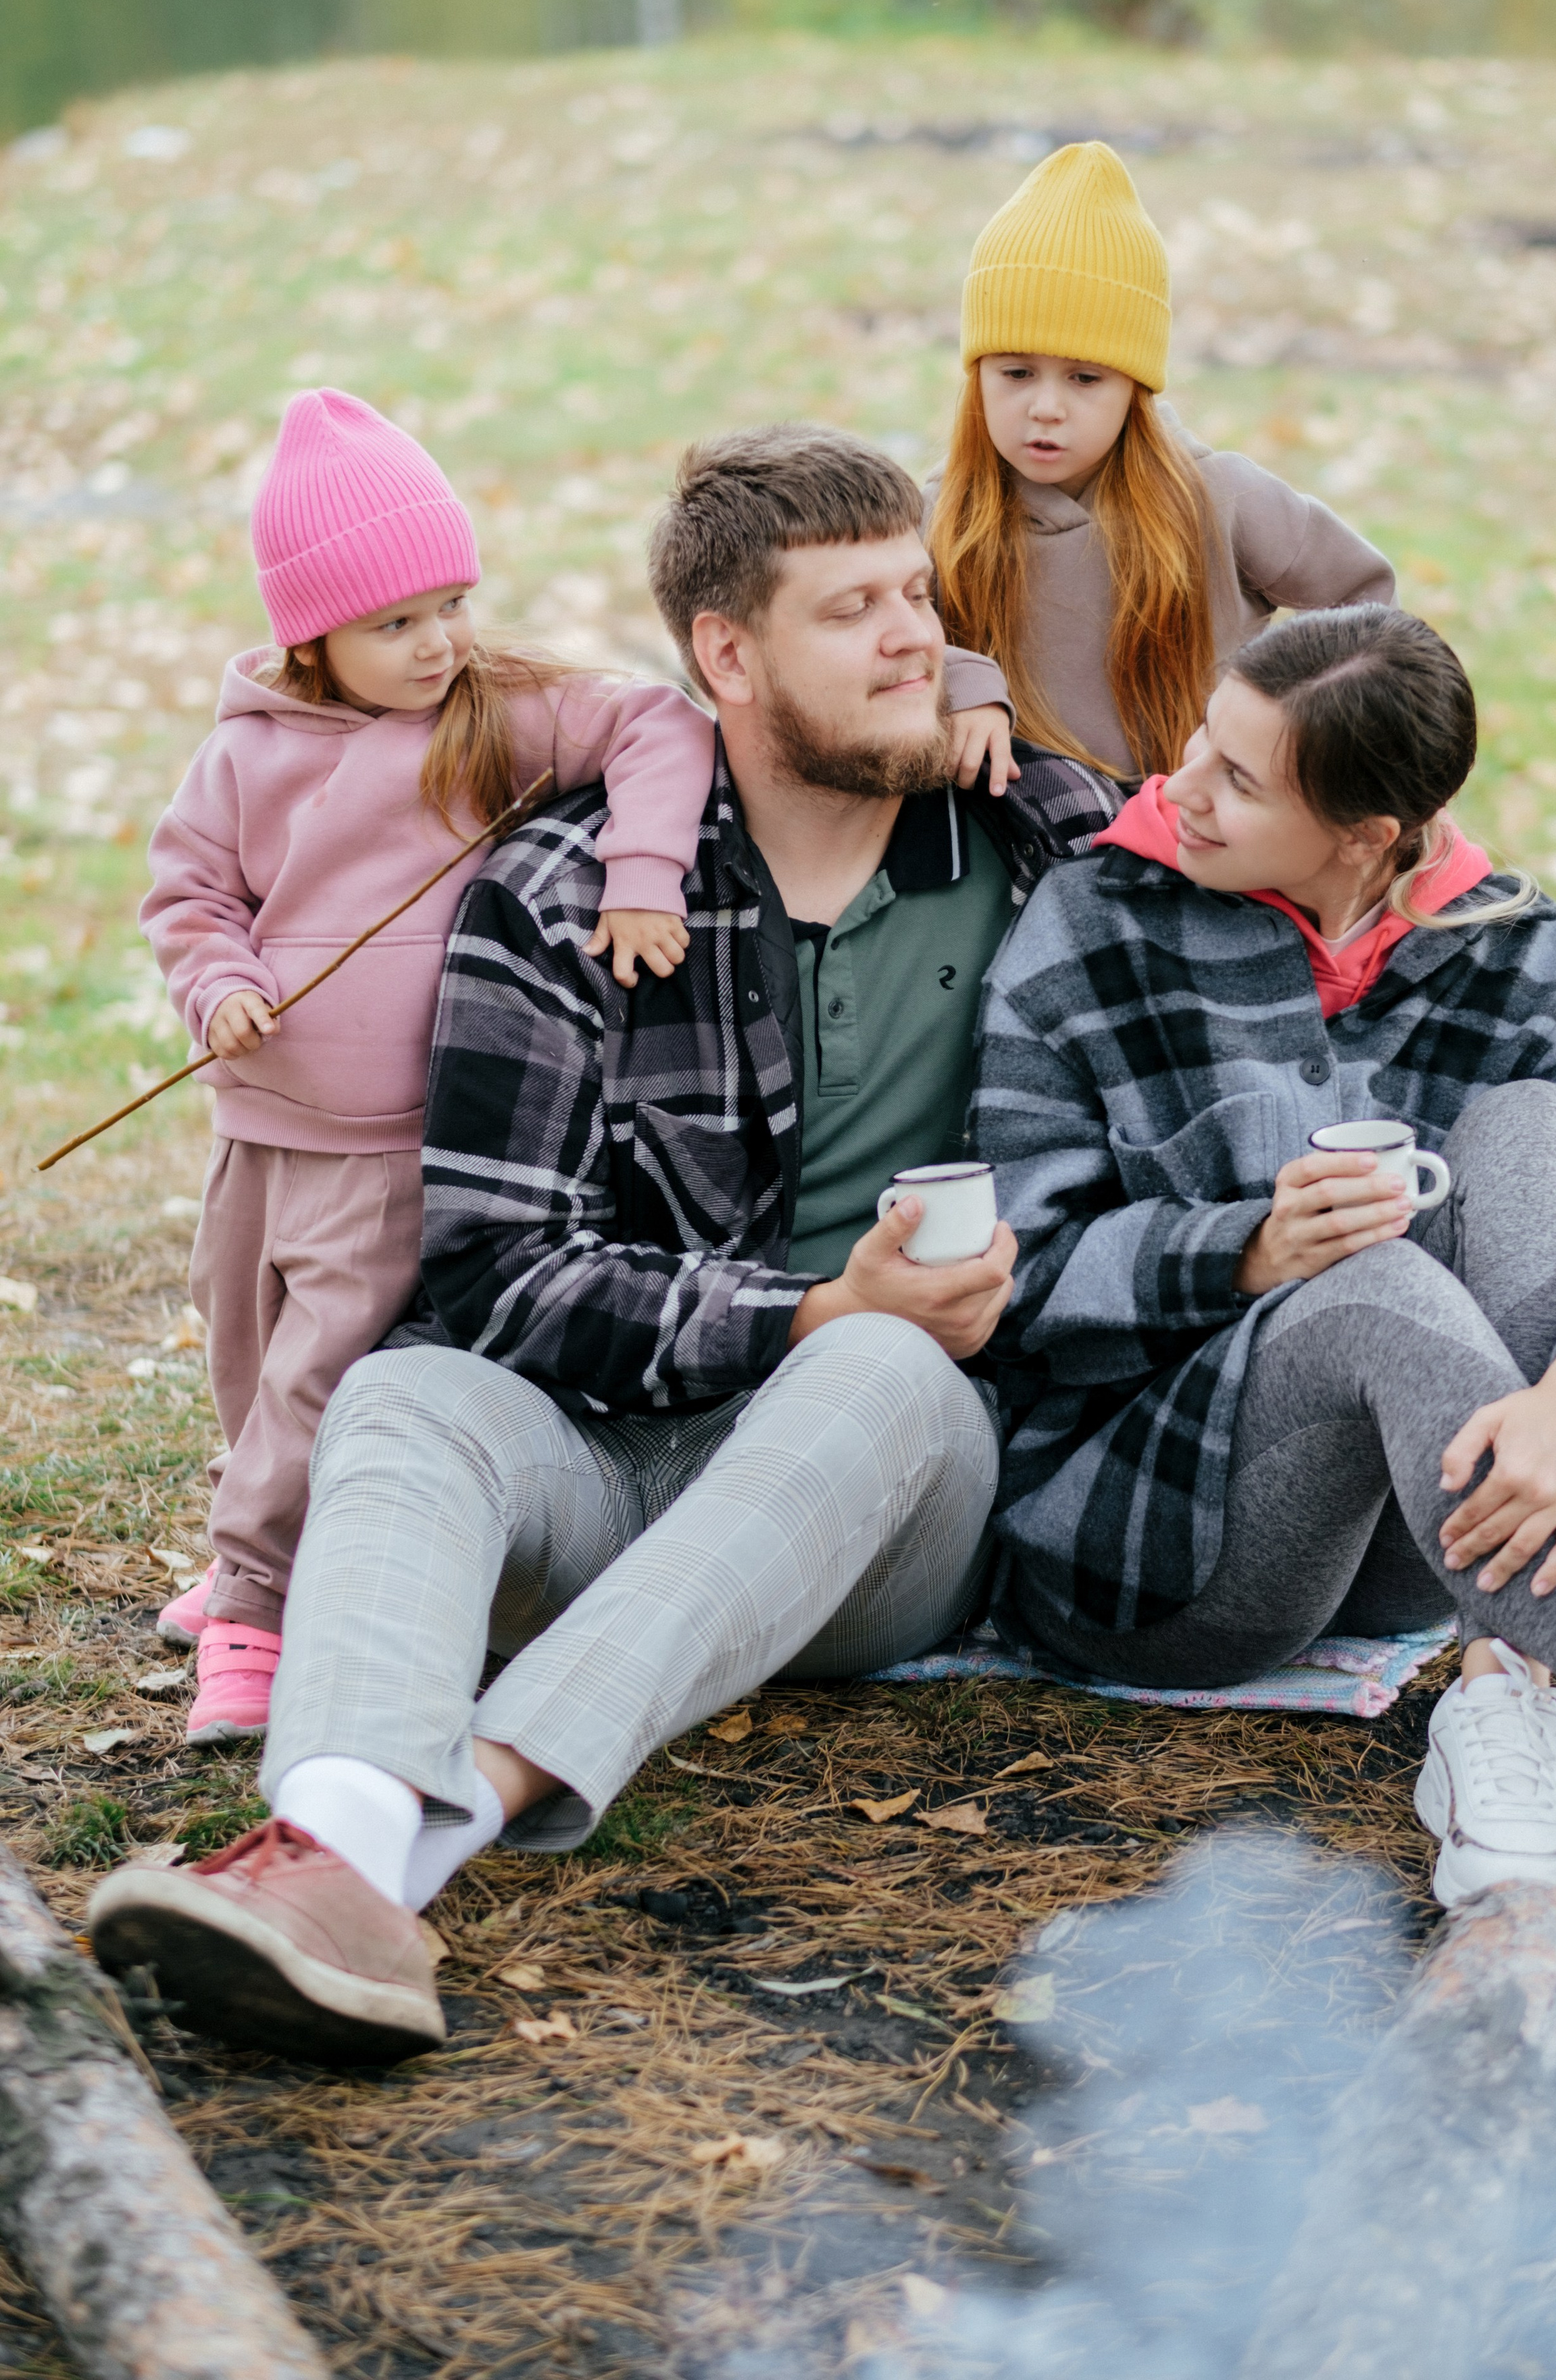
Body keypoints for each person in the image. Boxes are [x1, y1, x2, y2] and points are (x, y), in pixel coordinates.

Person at [89, 424, 1120, 2065]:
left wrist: (853, 1315)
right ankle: (329, 1842)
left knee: (875, 1353)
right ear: (725, 652)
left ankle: (430, 1838)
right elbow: (499, 1271)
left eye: (916, 595)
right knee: (405, 1391)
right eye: (853, 609)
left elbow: (1246, 964)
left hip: (884, 1509)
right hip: (612, 1458)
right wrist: (790, 1305)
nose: (916, 637)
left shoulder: (1035, 841)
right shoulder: (567, 882)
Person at [972, 603, 1556, 1920]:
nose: (1178, 792)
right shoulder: (1092, 919)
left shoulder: (1493, 934)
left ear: (1365, 837)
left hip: (1412, 1540)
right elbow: (1014, 1270)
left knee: (1546, 1129)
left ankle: (1500, 1691)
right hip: (1158, 1546)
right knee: (1374, 1287)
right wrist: (1241, 1251)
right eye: (1201, 746)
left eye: (1237, 782)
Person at [140, 387, 715, 1745]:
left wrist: (643, 873)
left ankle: (258, 1616)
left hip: (389, 1142)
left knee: (317, 1374)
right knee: (247, 1352)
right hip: (259, 1124)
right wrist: (219, 983)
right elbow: (189, 900)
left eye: (451, 602)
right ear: (310, 635)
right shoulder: (241, 757)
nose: (437, 641)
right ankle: (258, 1545)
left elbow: (656, 725)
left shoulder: (487, 716)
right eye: (395, 623)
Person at [928, 140, 1396, 785]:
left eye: (1085, 379)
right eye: (1015, 372)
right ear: (976, 374)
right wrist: (962, 679)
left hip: (1201, 832)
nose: (1045, 407)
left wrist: (1272, 732)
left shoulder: (1220, 497)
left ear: (1136, 390)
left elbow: (1365, 612)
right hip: (1015, 841)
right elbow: (873, 642)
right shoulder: (937, 517)